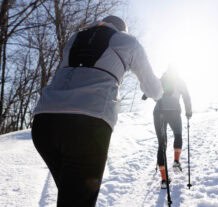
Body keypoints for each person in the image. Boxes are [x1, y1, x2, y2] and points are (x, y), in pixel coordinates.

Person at [31, 15, 162, 207]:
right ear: (122, 29)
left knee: (72, 194)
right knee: (78, 197)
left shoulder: (75, 37)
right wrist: (161, 95)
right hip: (88, 125)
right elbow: (153, 89)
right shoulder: (128, 41)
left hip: (44, 124)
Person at [146, 67, 192, 189]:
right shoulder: (180, 81)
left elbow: (150, 90)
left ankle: (164, 180)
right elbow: (186, 96)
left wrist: (145, 95)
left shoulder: (161, 80)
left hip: (159, 112)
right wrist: (188, 112)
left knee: (162, 144)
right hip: (174, 111)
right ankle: (176, 161)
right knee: (178, 135)